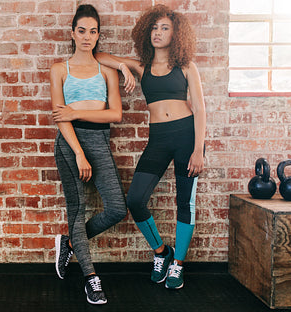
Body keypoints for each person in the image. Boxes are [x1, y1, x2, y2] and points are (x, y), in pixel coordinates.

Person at [96, 4, 206, 290]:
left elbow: (202, 110)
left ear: (176, 34)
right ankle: (161, 252)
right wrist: (123, 66)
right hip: (158, 138)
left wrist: (198, 149)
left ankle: (177, 265)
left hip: (186, 137)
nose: (158, 33)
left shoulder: (186, 66)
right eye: (154, 28)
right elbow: (100, 56)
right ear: (147, 32)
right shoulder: (141, 66)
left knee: (185, 204)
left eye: (165, 28)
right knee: (135, 199)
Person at [50, 4, 128, 305]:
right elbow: (61, 117)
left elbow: (116, 114)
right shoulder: (59, 69)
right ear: (73, 33)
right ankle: (91, 279)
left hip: (100, 140)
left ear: (98, 35)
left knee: (117, 208)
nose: (87, 37)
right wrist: (79, 154)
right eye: (81, 31)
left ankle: (69, 242)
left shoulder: (106, 70)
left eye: (93, 31)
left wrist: (77, 109)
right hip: (70, 144)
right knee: (78, 209)